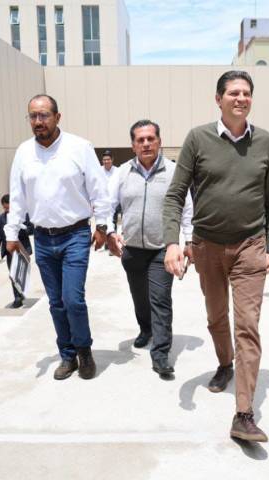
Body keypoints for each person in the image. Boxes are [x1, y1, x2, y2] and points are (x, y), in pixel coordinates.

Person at [163, 70, 269, 443]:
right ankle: (225, 363)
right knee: (216, 317)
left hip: (249, 247)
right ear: (218, 99)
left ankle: (244, 414)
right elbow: (175, 194)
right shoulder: (198, 138)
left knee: (248, 325)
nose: (241, 98)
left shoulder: (265, 142)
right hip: (207, 246)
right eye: (233, 93)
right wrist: (173, 242)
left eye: (246, 93)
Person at [5, 94, 110, 381]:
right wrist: (11, 233)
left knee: (73, 299)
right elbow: (17, 197)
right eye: (33, 116)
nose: (38, 121)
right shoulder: (23, 152)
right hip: (42, 238)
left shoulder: (79, 147)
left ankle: (84, 351)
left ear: (57, 117)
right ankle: (67, 355)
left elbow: (99, 190)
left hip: (75, 234)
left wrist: (102, 226)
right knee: (56, 302)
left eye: (44, 115)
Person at [106, 120, 193, 378]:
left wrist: (189, 241)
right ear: (133, 145)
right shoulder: (123, 173)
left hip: (163, 249)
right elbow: (108, 205)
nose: (146, 144)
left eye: (150, 139)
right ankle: (146, 329)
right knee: (140, 297)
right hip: (132, 249)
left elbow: (187, 208)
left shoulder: (174, 171)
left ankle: (161, 353)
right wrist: (109, 231)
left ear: (159, 141)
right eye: (140, 140)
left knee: (160, 299)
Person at [0, 194, 34, 308]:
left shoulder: (23, 215)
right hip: (9, 251)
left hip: (22, 249)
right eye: (5, 208)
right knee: (13, 274)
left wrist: (21, 228)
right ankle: (17, 298)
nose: (7, 210)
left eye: (8, 208)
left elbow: (31, 229)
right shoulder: (1, 218)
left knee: (21, 273)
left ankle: (21, 292)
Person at [101, 150, 121, 248]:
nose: (106, 161)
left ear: (112, 160)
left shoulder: (118, 171)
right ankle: (106, 242)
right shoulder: (98, 170)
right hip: (102, 202)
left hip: (115, 201)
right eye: (104, 160)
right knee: (103, 223)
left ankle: (112, 244)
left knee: (113, 221)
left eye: (108, 159)